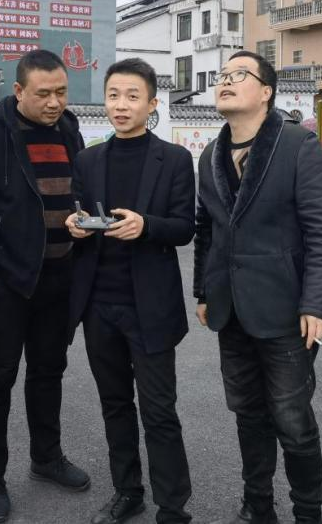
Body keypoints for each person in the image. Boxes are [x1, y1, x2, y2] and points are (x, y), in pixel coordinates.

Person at [193, 51, 322, 524]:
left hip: (285, 312)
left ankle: (308, 514)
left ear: (266, 91)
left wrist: (316, 304)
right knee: (248, 415)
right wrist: (204, 291)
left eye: (239, 74)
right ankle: (258, 506)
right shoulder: (210, 154)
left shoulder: (298, 145)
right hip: (230, 310)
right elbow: (207, 230)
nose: (226, 81)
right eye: (222, 75)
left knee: (292, 422)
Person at [0, 49, 90, 523]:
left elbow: (76, 190)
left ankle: (46, 457)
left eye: (61, 92)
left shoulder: (69, 129)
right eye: (43, 94)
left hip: (59, 275)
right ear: (19, 90)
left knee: (49, 371)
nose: (54, 102)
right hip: (9, 282)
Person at [65, 58, 195, 524]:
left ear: (152, 104)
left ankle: (172, 507)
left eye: (132, 96)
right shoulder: (88, 159)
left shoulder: (174, 159)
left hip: (150, 306)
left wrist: (146, 226)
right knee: (115, 405)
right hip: (99, 305)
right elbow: (82, 215)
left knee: (159, 410)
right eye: (114, 96)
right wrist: (75, 225)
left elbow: (184, 227)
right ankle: (128, 491)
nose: (121, 105)